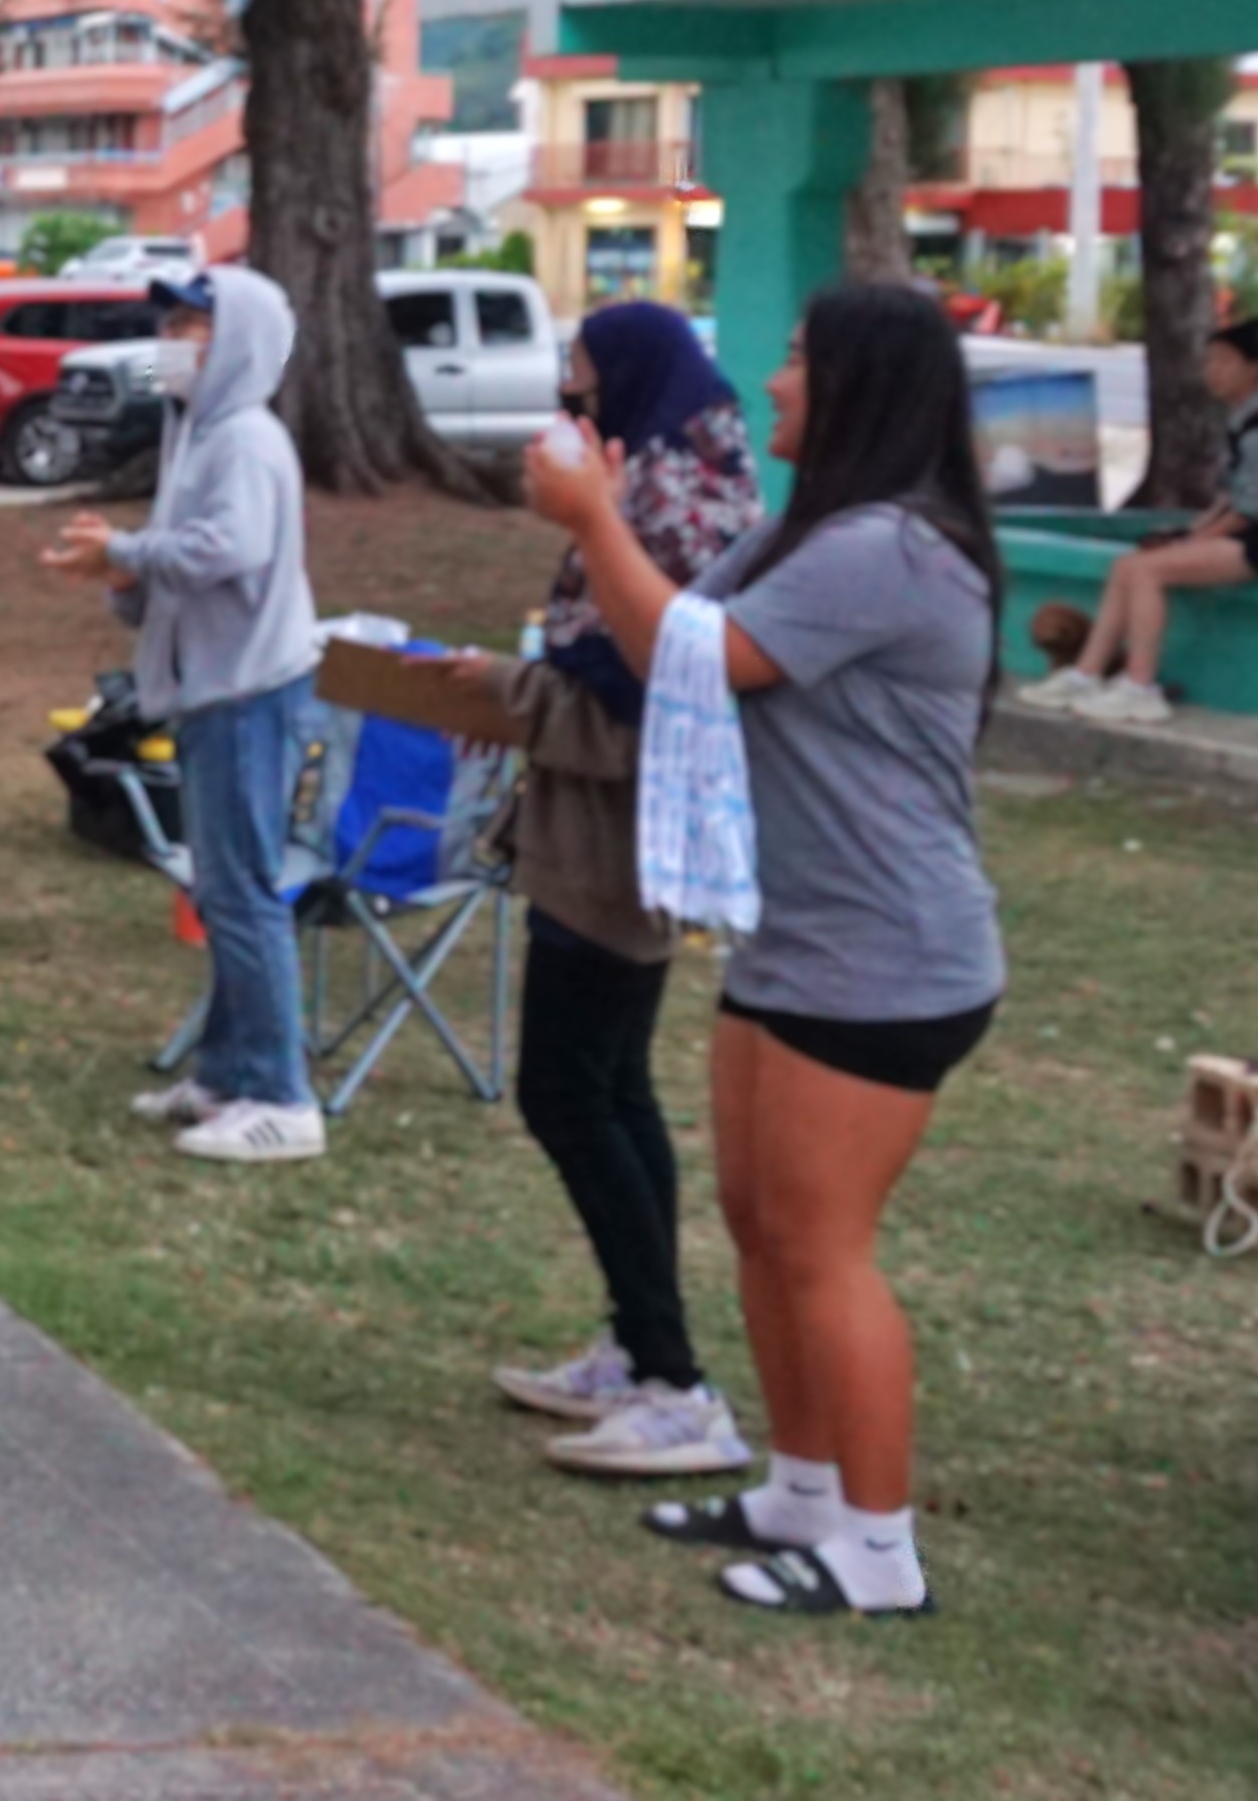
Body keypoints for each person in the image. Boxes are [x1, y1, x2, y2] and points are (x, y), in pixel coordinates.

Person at [526, 281, 1006, 1619]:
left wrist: (588, 519)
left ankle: (877, 1544)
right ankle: (800, 1487)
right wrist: (604, 519)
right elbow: (657, 630)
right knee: (759, 1223)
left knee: (821, 1241)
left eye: (794, 358)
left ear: (856, 384)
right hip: (794, 937)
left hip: (886, 953)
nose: (770, 379)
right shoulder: (808, 528)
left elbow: (700, 654)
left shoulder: (893, 548)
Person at [465, 303, 762, 1477]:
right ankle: (642, 1349)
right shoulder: (661, 485)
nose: (568, 404)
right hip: (595, 827)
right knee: (612, 1089)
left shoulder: (673, 508)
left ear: (633, 382)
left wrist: (503, 694)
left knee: (566, 1091)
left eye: (583, 381)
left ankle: (676, 1381)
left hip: (622, 838)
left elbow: (652, 698)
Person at [41, 267, 326, 1165]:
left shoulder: (243, 438)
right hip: (212, 688)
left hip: (245, 692)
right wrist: (122, 575)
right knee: (222, 890)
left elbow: (229, 550)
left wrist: (125, 550)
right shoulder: (196, 435)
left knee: (241, 895)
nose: (173, 338)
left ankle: (283, 1095)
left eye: (192, 323)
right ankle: (228, 1074)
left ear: (235, 339)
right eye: (168, 320)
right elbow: (183, 562)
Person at [1021, 318, 1258, 724]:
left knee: (1148, 572)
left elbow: (1247, 510)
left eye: (1223, 362)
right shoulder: (1240, 421)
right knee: (1127, 566)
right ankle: (1084, 675)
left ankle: (1140, 686)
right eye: (1209, 362)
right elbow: (1228, 500)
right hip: (1245, 533)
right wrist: (1188, 535)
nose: (1211, 372)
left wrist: (1191, 545)